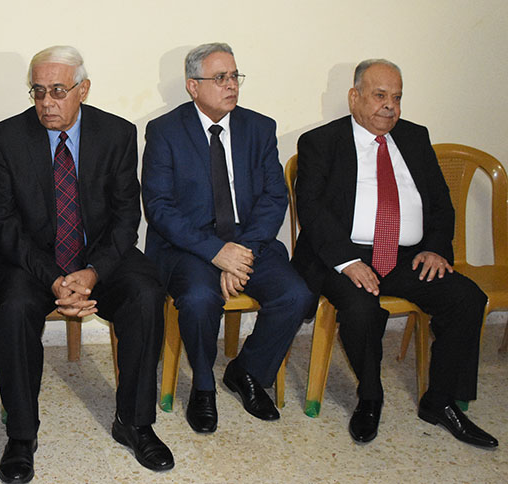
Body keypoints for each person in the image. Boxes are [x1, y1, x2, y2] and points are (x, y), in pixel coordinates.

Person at [0, 45, 173, 483]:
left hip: (99, 258)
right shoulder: (5, 137)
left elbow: (126, 218)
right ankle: (21, 434)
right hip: (32, 262)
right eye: (38, 91)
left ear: (83, 90)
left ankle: (134, 422)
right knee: (13, 308)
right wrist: (53, 278)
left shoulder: (117, 133)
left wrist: (92, 273)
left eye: (57, 91)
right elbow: (2, 223)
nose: (46, 102)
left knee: (146, 293)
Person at [292, 59, 497, 447]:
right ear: (354, 97)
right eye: (380, 95)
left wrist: (435, 248)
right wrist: (348, 262)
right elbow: (312, 209)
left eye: (397, 97)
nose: (390, 106)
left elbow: (441, 203)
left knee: (467, 298)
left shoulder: (415, 138)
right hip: (343, 255)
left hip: (408, 256)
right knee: (361, 308)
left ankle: (440, 401)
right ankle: (370, 397)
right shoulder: (321, 142)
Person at [142, 42, 313, 434]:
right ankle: (203, 386)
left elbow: (274, 197)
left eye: (234, 76)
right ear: (193, 86)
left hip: (249, 239)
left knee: (296, 295)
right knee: (199, 299)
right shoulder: (164, 131)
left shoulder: (260, 128)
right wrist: (216, 252)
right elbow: (160, 208)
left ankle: (247, 371)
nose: (231, 85)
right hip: (189, 245)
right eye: (220, 78)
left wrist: (242, 253)